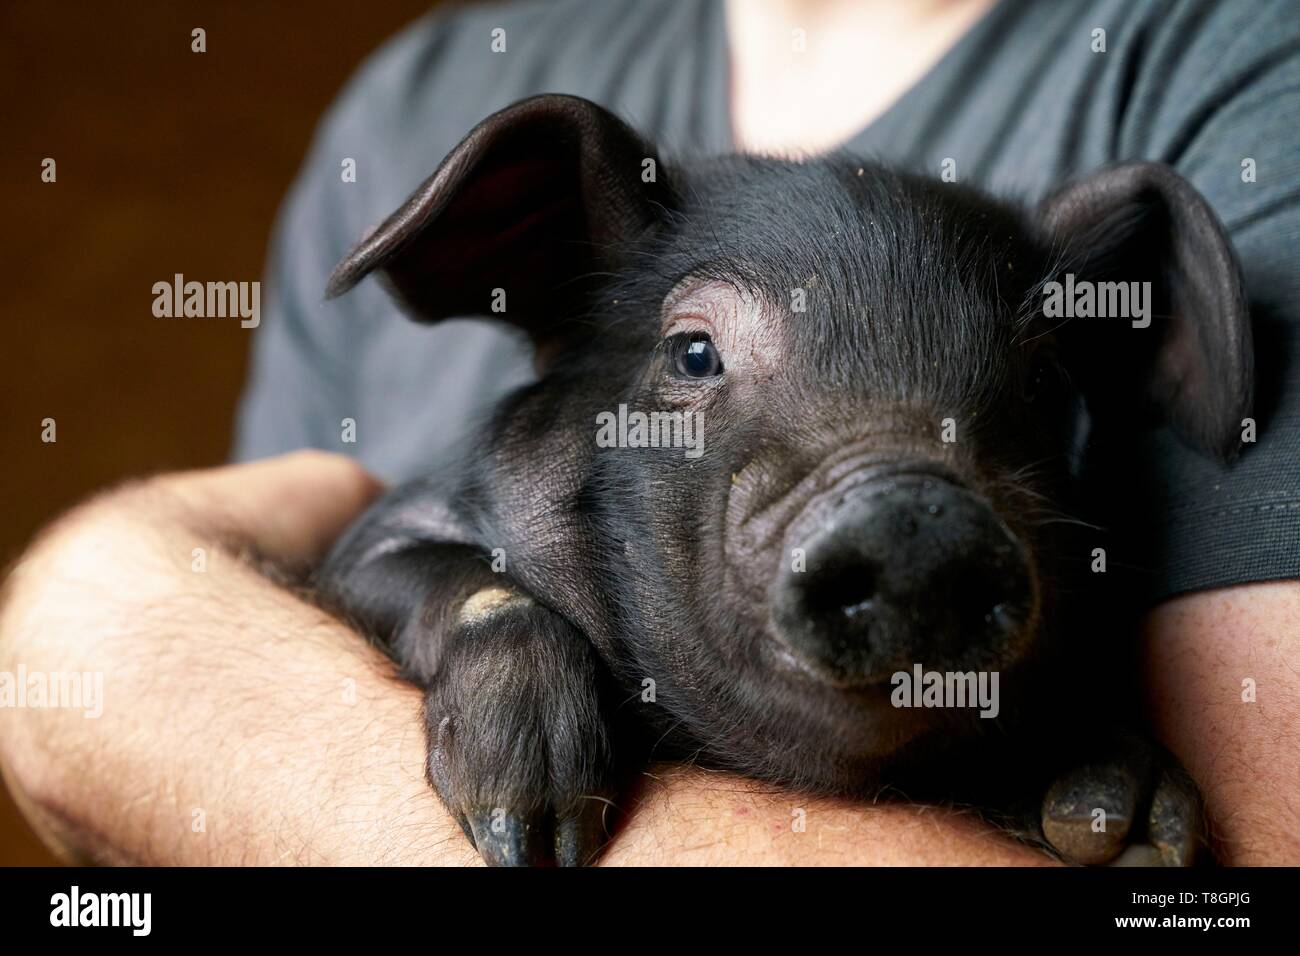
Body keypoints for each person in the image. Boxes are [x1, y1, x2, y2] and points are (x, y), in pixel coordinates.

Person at [2, 0, 1297, 865]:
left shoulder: (1235, 54)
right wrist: (485, 629)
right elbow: (322, 562)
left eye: (1000, 395)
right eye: (699, 359)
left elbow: (178, 670)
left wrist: (152, 689)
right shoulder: (418, 92)